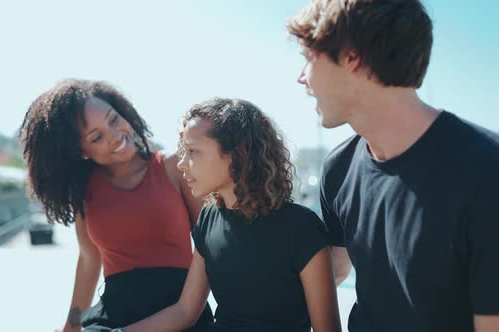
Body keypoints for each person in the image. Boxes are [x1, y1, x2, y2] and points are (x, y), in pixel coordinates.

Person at [287, 1, 499, 331]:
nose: (301, 78)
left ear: (351, 56)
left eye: (308, 59)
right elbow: (337, 267)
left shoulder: (487, 172)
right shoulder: (338, 170)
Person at [116, 98, 341, 332]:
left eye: (192, 151)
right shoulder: (208, 218)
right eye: (183, 151)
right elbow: (184, 312)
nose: (182, 164)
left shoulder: (302, 227)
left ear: (238, 155)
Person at [19, 79, 213, 332]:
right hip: (115, 314)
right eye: (96, 136)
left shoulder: (174, 166)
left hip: (179, 310)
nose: (114, 136)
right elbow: (89, 260)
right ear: (81, 151)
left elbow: (209, 244)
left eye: (113, 119)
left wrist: (193, 310)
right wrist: (71, 326)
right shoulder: (84, 190)